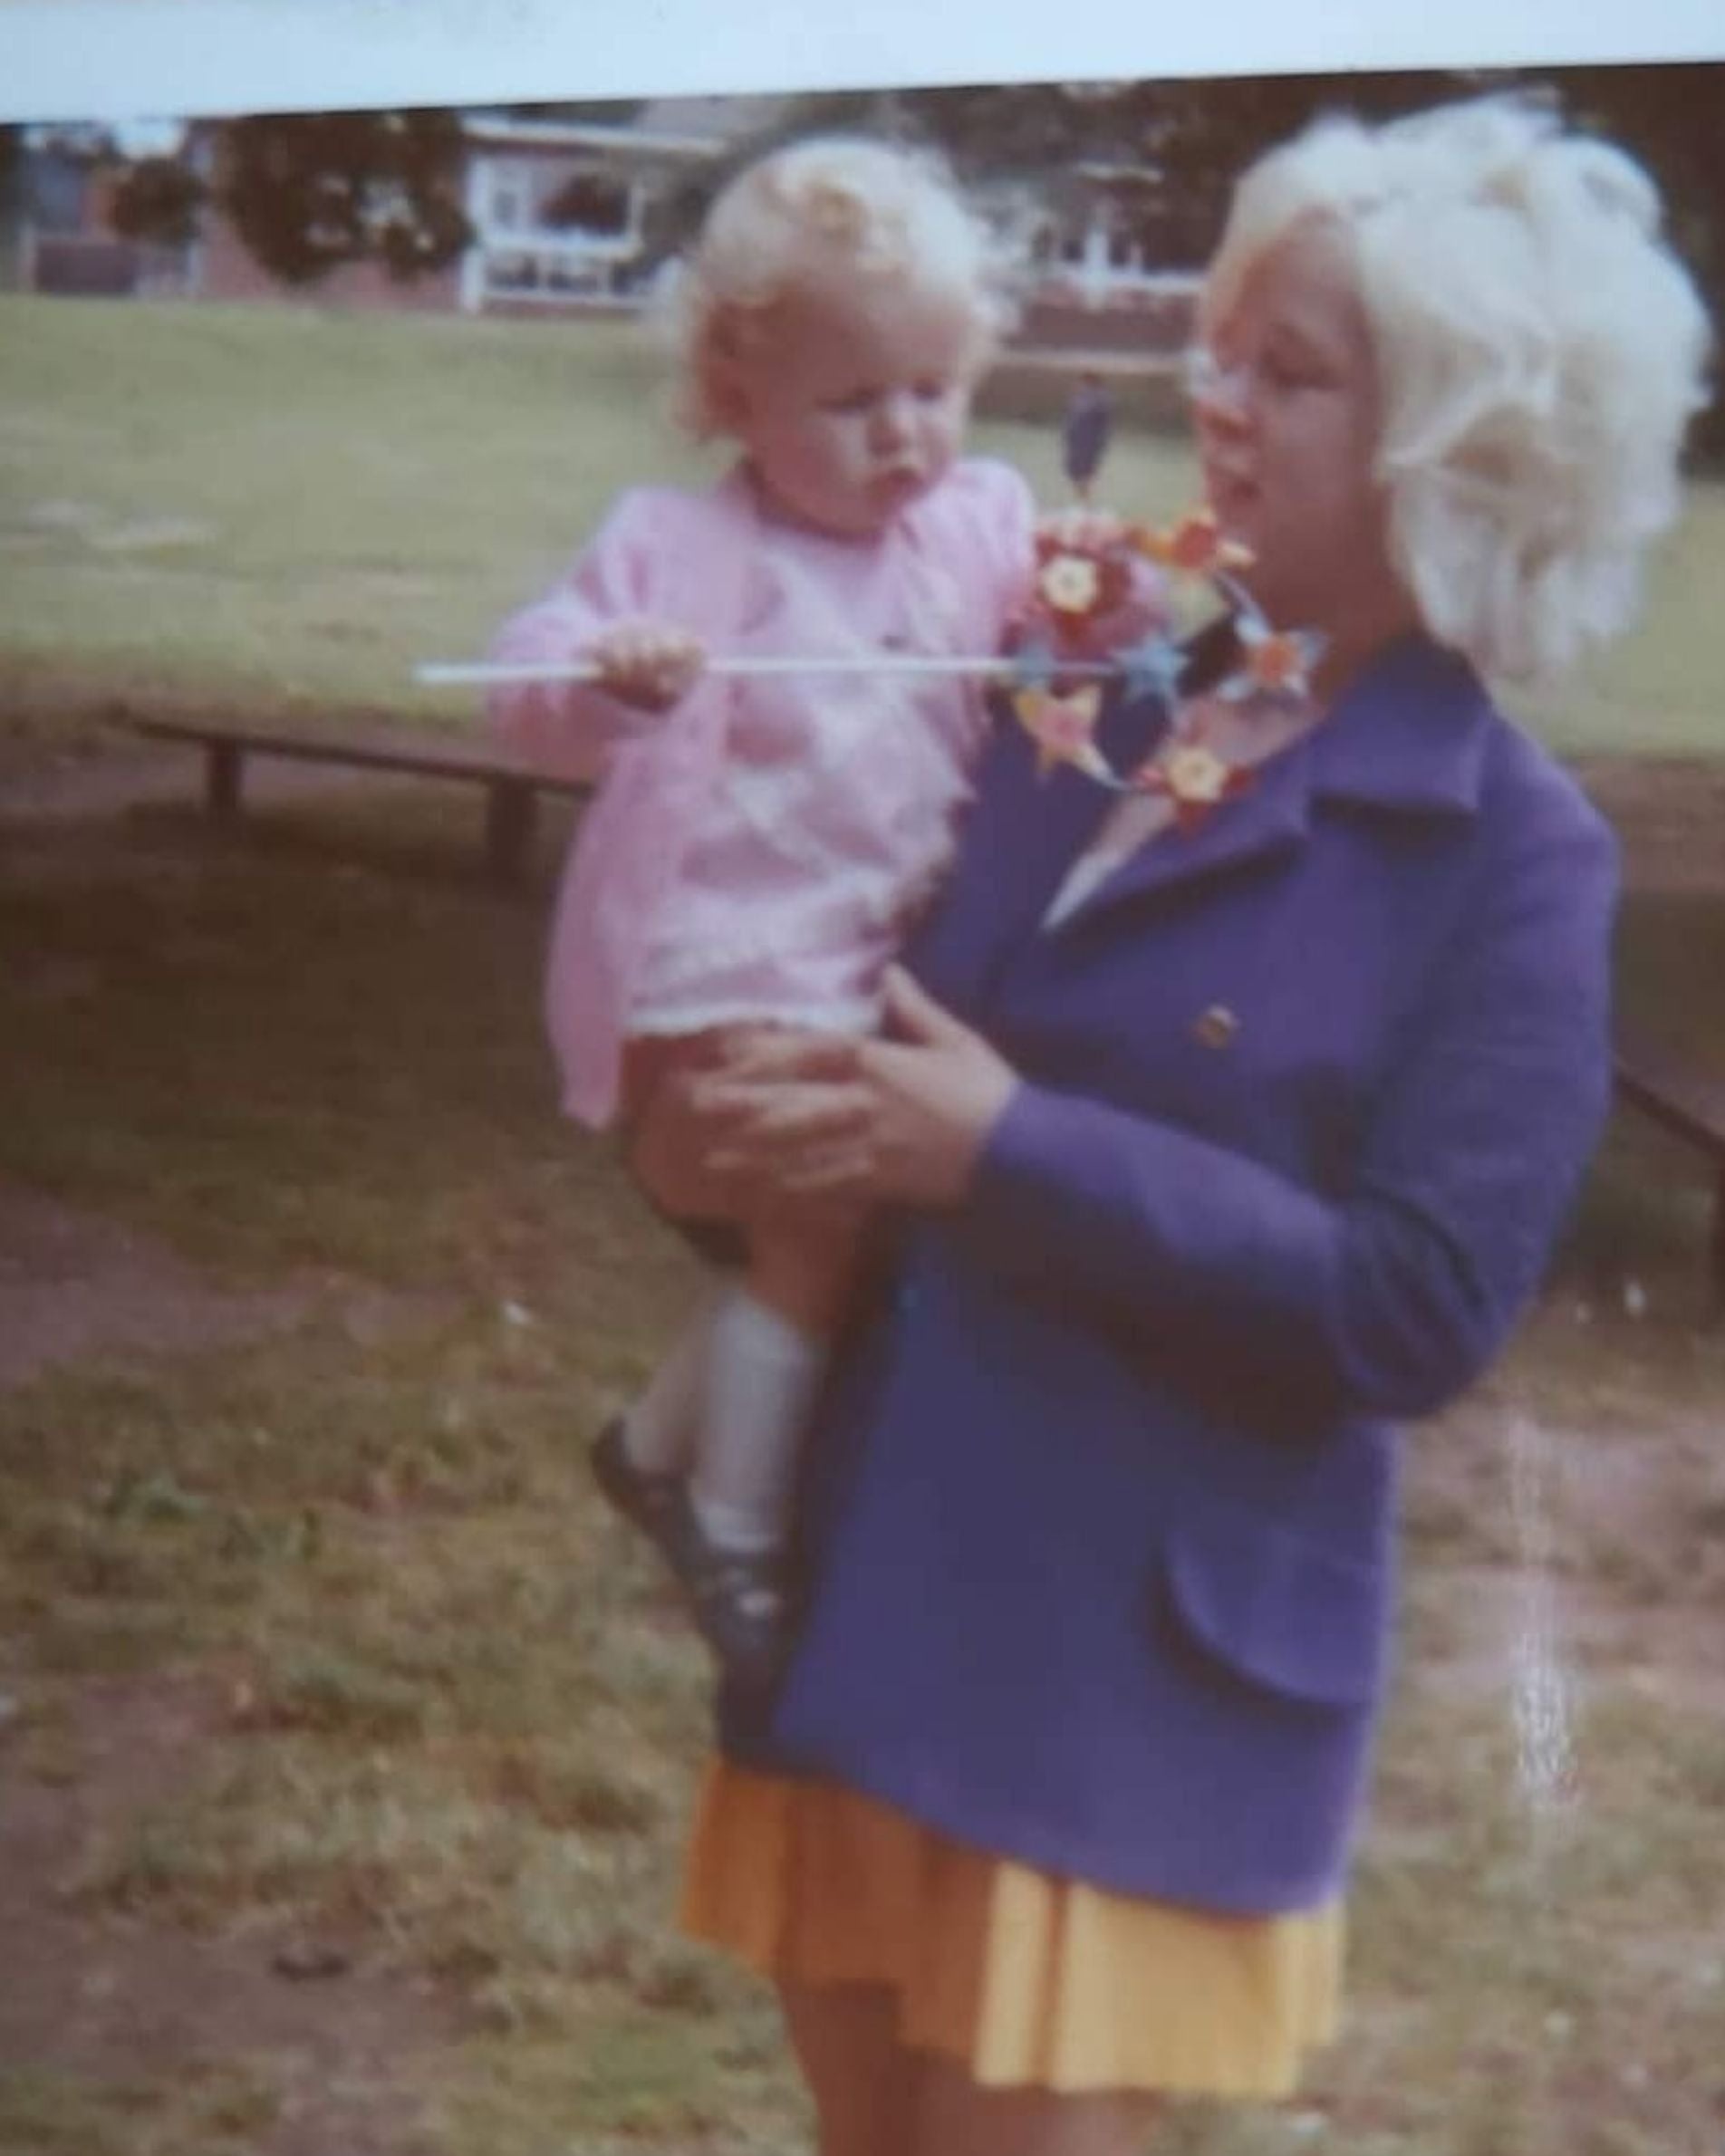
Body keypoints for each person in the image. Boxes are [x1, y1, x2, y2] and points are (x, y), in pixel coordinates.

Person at [631, 92, 1711, 2156]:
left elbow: (1416, 1309)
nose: (1213, 402)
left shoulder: (1512, 856)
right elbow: (827, 964)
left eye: (1285, 372)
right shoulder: (1078, 673)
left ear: (1457, 445)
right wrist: (719, 1130)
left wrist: (1007, 1152)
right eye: (1221, 347)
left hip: (1129, 1687)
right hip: (882, 1585)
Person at [484, 137, 1046, 1685]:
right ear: (737, 397)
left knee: (840, 1235)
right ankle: (734, 1527)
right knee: (819, 1207)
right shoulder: (681, 550)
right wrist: (605, 674)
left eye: (934, 388)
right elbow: (526, 687)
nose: (906, 435)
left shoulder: (975, 528)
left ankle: (659, 1447)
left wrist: (1098, 605)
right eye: (854, 402)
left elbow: (1066, 622)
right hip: (714, 969)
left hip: (874, 969)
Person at [1060, 371, 1113, 503]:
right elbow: (1070, 418)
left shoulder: (1101, 399)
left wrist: (1100, 443)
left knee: (1086, 474)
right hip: (1075, 441)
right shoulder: (1078, 398)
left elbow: (1104, 425)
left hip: (1089, 442)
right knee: (1074, 473)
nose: (1079, 385)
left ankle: (1086, 502)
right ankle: (1080, 501)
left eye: (1082, 382)